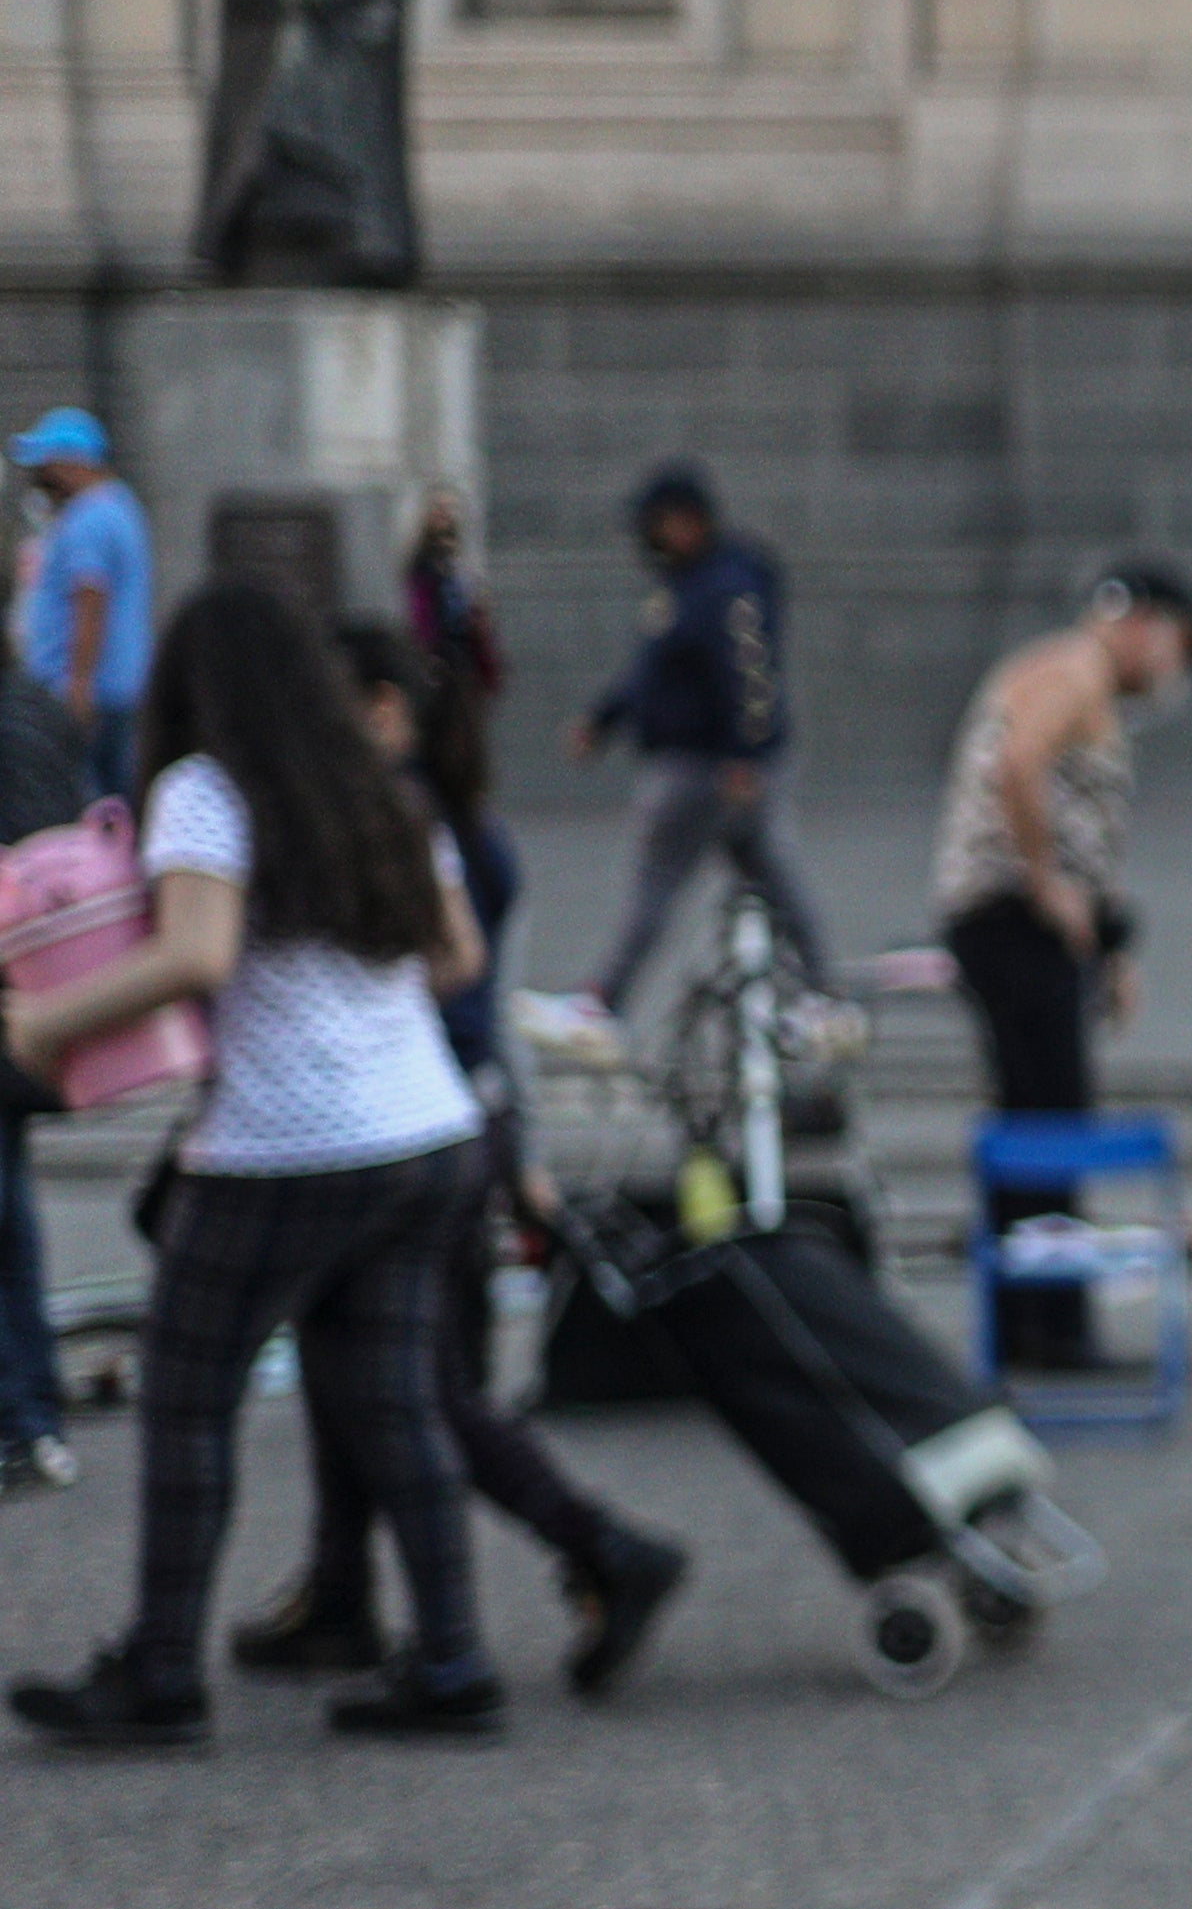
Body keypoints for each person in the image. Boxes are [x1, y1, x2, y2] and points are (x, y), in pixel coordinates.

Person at [5, 584, 497, 1745]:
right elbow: (458, 957)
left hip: (285, 1144)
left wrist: (48, 1023)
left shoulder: (208, 792)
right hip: (425, 1130)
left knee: (184, 1394)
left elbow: (198, 953)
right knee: (397, 1406)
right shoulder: (375, 785)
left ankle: (160, 1676)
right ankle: (454, 1661)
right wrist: (352, 1011)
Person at [232, 625, 686, 1697]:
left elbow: (444, 1000)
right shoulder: (452, 822)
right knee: (359, 1366)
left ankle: (606, 1550)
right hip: (443, 1125)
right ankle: (341, 1593)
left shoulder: (400, 823)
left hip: (404, 1132)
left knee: (416, 1389)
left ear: (385, 709)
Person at [934, 562, 1192, 1364]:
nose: (1175, 671)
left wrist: (1109, 947)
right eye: (1178, 647)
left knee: (1037, 1114)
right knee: (1051, 1124)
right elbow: (1017, 764)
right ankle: (1049, 1325)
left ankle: (1029, 1320)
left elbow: (1086, 821)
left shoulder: (1072, 676)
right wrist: (1046, 883)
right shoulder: (1073, 670)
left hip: (1025, 928)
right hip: (1010, 921)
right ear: (1143, 623)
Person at [568, 461, 828, 1026]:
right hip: (704, 764)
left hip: (706, 767)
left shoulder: (726, 584)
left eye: (658, 524)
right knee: (773, 877)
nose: (651, 539)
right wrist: (604, 719)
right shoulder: (689, 586)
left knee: (659, 886)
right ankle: (820, 994)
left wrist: (745, 754)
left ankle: (604, 1002)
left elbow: (750, 673)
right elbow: (651, 672)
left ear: (687, 521)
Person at [0, 632, 84, 1500]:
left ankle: (24, 1415)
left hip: (12, 985)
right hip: (38, 984)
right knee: (11, 1208)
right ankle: (31, 1411)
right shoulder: (34, 702)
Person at [15, 410, 151, 806]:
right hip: (114, 690)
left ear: (73, 462)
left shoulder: (88, 519)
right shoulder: (121, 506)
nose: (40, 476)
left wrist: (78, 687)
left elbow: (90, 598)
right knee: (115, 798)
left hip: (85, 694)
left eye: (46, 465)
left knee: (88, 803)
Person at [401, 485, 503, 709]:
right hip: (437, 654)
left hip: (462, 654)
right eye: (439, 509)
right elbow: (420, 612)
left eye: (449, 510)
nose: (445, 515)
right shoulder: (422, 564)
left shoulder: (458, 564)